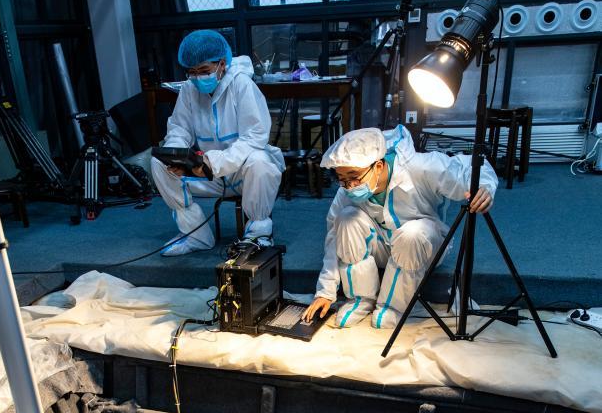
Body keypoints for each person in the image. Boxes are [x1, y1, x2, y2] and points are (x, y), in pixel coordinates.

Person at [303, 126, 498, 329]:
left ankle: (394, 307)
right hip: (382, 245)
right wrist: (325, 292)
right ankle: (361, 299)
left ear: (378, 166)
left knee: (410, 234)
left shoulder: (419, 168)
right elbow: (334, 237)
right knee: (345, 219)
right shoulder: (346, 191)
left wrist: (484, 187)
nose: (349, 186)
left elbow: (471, 166)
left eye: (354, 177)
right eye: (342, 180)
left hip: (422, 244)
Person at [151, 30, 285, 257]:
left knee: (260, 161)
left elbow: (254, 137)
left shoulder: (241, 84)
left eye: (204, 71)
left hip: (241, 173)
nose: (197, 78)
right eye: (192, 72)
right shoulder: (189, 89)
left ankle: (259, 233)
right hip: (207, 173)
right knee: (158, 164)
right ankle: (195, 235)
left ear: (222, 64)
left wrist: (212, 163)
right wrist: (177, 157)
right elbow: (179, 129)